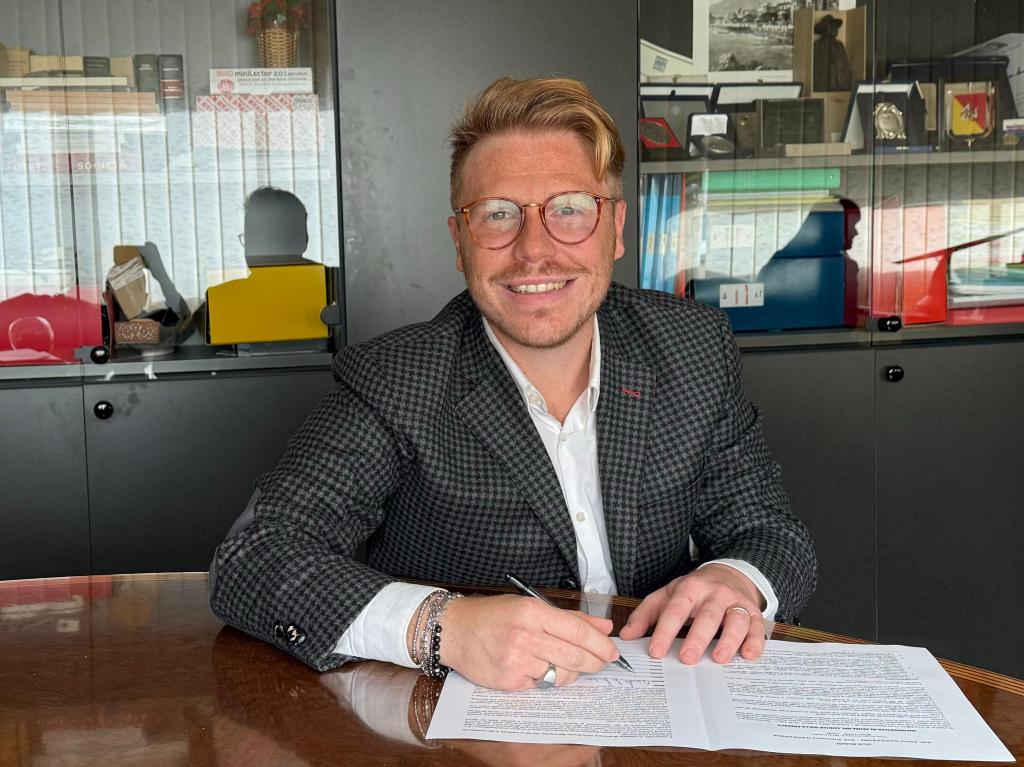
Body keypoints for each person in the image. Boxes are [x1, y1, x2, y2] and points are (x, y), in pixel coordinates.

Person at [209, 75, 816, 692]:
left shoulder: (692, 347)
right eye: (498, 215)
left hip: (670, 696)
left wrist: (737, 579)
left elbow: (768, 531)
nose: (533, 251)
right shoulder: (397, 378)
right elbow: (255, 557)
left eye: (569, 210)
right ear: (459, 242)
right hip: (467, 718)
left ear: (616, 228)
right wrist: (443, 627)